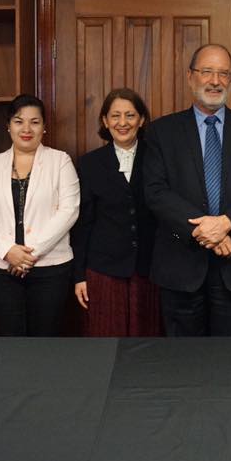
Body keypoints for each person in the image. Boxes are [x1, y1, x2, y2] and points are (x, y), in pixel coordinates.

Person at [143, 44, 231, 336]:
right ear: (191, 76)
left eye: (223, 73)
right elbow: (155, 191)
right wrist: (207, 231)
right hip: (180, 262)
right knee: (184, 361)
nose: (215, 81)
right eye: (207, 72)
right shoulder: (162, 131)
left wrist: (227, 223)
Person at [0, 95, 79, 336]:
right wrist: (8, 251)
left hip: (50, 267)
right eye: (19, 121)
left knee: (46, 340)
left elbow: (69, 211)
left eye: (35, 122)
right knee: (8, 340)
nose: (27, 129)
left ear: (44, 127)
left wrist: (29, 255)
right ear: (8, 125)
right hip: (2, 267)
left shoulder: (60, 161)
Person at [72, 88, 161, 336]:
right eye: (115, 116)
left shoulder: (158, 158)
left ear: (141, 120)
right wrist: (79, 275)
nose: (123, 123)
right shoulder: (90, 163)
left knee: (148, 345)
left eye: (130, 115)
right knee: (106, 343)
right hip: (104, 270)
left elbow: (168, 216)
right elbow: (83, 224)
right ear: (105, 120)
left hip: (150, 269)